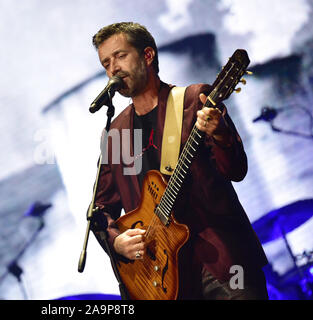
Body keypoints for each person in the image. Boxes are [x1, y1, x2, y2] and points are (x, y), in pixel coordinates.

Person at [90, 22, 268, 300]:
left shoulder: (193, 101)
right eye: (106, 63)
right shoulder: (116, 134)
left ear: (148, 56)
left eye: (120, 55)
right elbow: (100, 208)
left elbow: (236, 169)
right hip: (162, 279)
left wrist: (220, 133)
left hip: (222, 264)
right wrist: (117, 242)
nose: (113, 68)